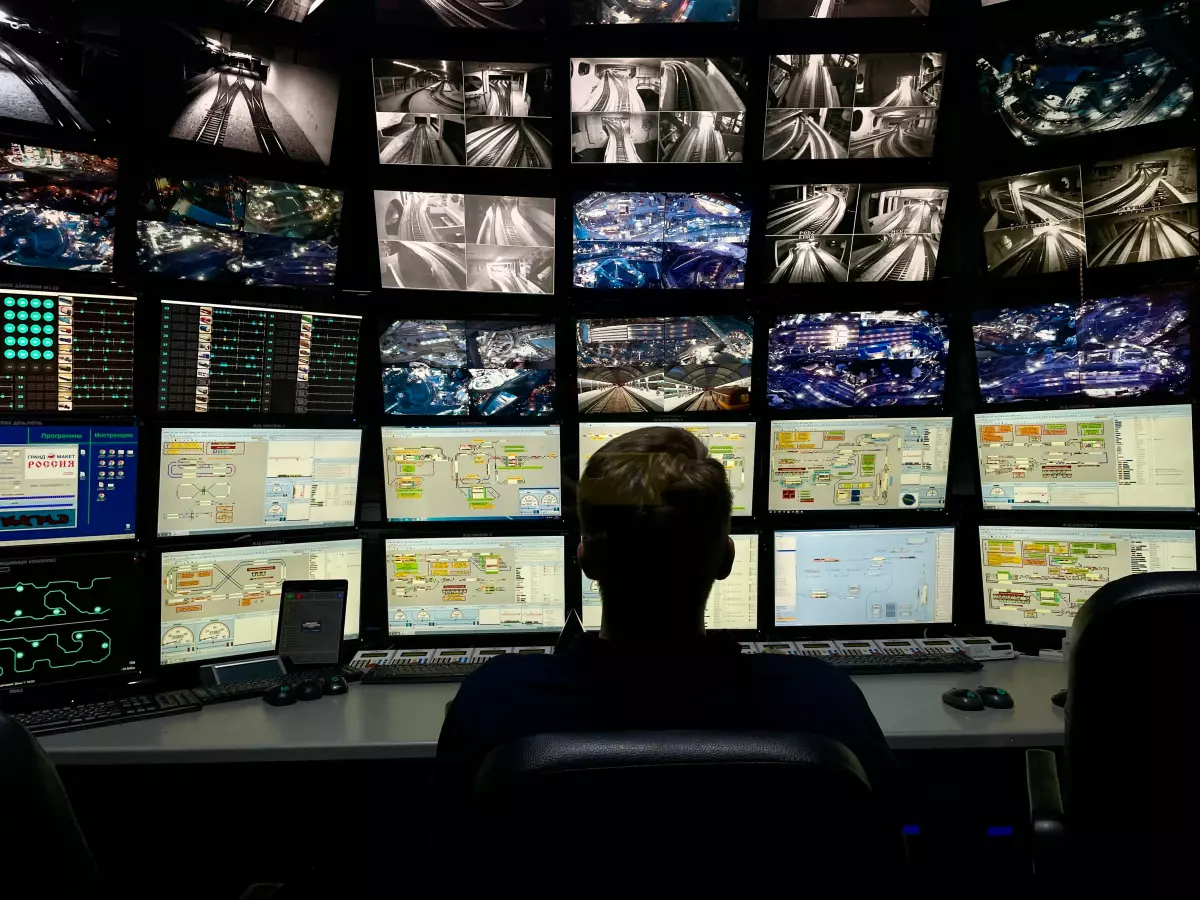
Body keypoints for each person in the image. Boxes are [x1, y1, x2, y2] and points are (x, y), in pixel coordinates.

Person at [435, 426, 899, 804]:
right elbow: (889, 843)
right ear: (726, 560)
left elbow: (450, 851)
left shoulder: (493, 698)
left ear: (584, 559)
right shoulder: (823, 698)